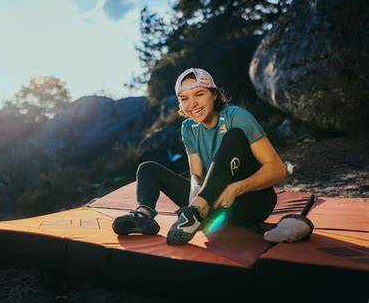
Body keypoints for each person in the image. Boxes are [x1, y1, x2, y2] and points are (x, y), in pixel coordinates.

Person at [112, 68, 286, 246]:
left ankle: (197, 211)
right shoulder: (188, 127)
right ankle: (143, 216)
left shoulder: (237, 116)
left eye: (199, 94)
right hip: (214, 204)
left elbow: (278, 170)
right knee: (147, 168)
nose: (192, 104)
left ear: (214, 95)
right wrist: (195, 188)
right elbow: (196, 174)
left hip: (252, 203)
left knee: (234, 136)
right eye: (184, 98)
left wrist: (235, 188)